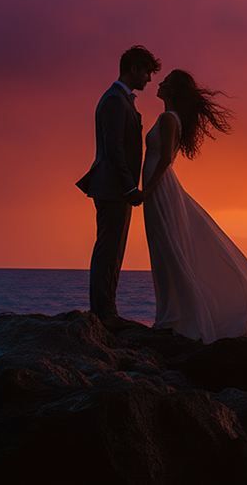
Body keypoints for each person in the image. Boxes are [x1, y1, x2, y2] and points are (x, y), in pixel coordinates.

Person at [137, 69, 247, 341]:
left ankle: (177, 317)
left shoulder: (168, 118)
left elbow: (166, 159)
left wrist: (146, 190)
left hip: (159, 187)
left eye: (165, 82)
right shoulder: (169, 117)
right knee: (164, 249)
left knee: (168, 249)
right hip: (159, 186)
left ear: (172, 90)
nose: (159, 83)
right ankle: (172, 314)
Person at [76, 44, 160, 324]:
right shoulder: (115, 100)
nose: (149, 78)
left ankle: (106, 309)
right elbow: (114, 149)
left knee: (113, 250)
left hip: (115, 189)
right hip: (113, 189)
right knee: (109, 250)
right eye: (147, 72)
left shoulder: (121, 99)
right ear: (133, 69)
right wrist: (129, 188)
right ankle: (103, 312)